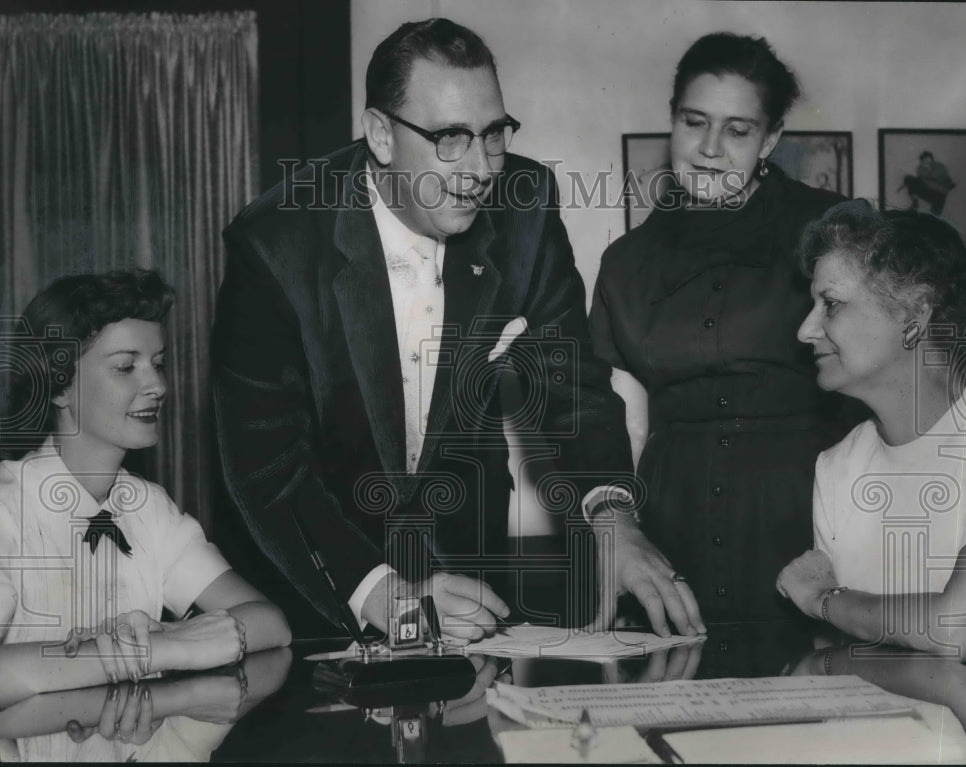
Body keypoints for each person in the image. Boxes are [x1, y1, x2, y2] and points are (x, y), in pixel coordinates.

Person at [212, 18, 704, 643]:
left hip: (469, 585)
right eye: (449, 138)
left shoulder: (523, 206)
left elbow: (571, 387)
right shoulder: (275, 245)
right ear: (381, 135)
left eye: (493, 133)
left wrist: (612, 520)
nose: (479, 168)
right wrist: (387, 596)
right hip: (322, 589)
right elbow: (267, 466)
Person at [589, 32, 853, 622]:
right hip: (671, 521)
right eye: (694, 121)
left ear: (772, 139)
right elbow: (625, 427)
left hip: (809, 518)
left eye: (738, 129)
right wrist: (620, 539)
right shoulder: (628, 262)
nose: (710, 148)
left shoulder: (831, 231)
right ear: (672, 122)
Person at [0, 269, 291, 706]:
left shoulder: (148, 509)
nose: (157, 386)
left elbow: (270, 623)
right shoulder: (7, 506)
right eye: (124, 367)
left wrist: (174, 634)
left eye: (157, 364)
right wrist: (157, 651)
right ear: (59, 387)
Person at [777, 201, 966, 662]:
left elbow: (964, 627)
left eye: (831, 304)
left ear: (914, 315)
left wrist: (823, 600)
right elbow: (831, 661)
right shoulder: (838, 466)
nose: (805, 330)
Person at [899, 151, 955, 215]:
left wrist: (949, 183)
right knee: (909, 179)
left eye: (928, 160)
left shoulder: (939, 167)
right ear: (922, 161)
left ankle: (934, 214)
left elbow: (944, 178)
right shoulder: (920, 169)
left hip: (938, 196)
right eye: (924, 160)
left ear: (932, 160)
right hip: (927, 192)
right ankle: (915, 204)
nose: (926, 162)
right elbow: (918, 180)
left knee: (935, 214)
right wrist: (905, 184)